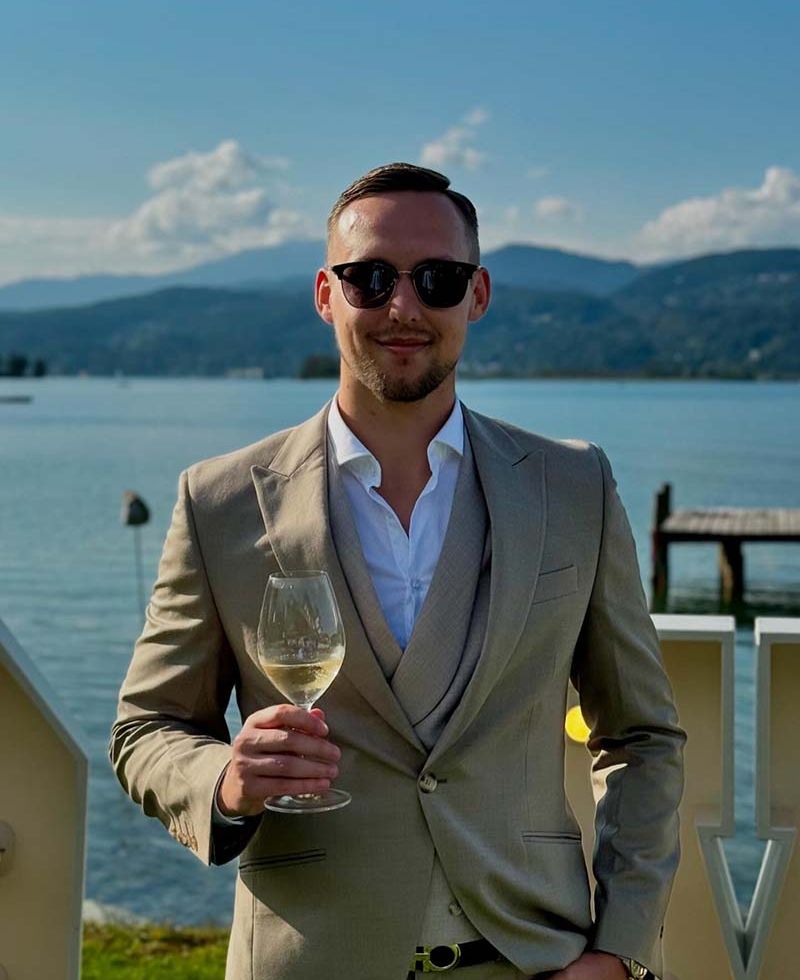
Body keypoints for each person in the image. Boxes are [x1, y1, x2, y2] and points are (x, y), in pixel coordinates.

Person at [110, 162, 685, 980]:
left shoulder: (573, 486)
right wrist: (225, 780)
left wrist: (621, 949)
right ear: (326, 294)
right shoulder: (221, 502)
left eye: (437, 279)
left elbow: (641, 736)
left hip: (534, 960)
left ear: (477, 294)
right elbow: (147, 729)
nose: (403, 308)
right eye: (371, 278)